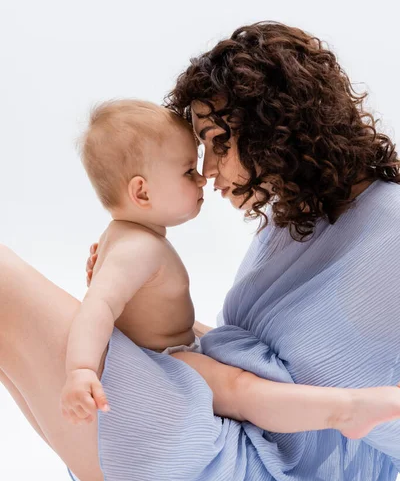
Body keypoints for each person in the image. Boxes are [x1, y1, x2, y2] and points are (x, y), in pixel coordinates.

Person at [1, 21, 399, 481]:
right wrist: (126, 309)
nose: (208, 173)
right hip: (228, 449)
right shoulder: (300, 215)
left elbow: (268, 379)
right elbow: (237, 357)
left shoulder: (391, 230)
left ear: (274, 128)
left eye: (218, 145)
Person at [64, 98, 400, 445]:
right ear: (142, 191)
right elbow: (97, 308)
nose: (202, 177)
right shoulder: (138, 248)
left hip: (175, 351)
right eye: (187, 171)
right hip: (167, 363)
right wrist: (82, 370)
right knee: (242, 391)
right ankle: (346, 410)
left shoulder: (125, 237)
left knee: (239, 383)